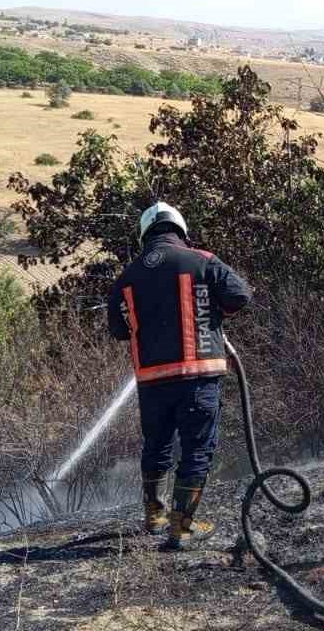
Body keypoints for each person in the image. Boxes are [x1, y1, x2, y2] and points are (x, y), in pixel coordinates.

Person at [107, 201, 251, 550]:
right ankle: (182, 528)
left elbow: (119, 330)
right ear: (181, 230)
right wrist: (211, 310)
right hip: (198, 376)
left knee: (156, 445)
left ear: (144, 235)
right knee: (196, 449)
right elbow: (240, 296)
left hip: (152, 383)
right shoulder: (201, 260)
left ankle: (154, 517)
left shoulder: (126, 277)